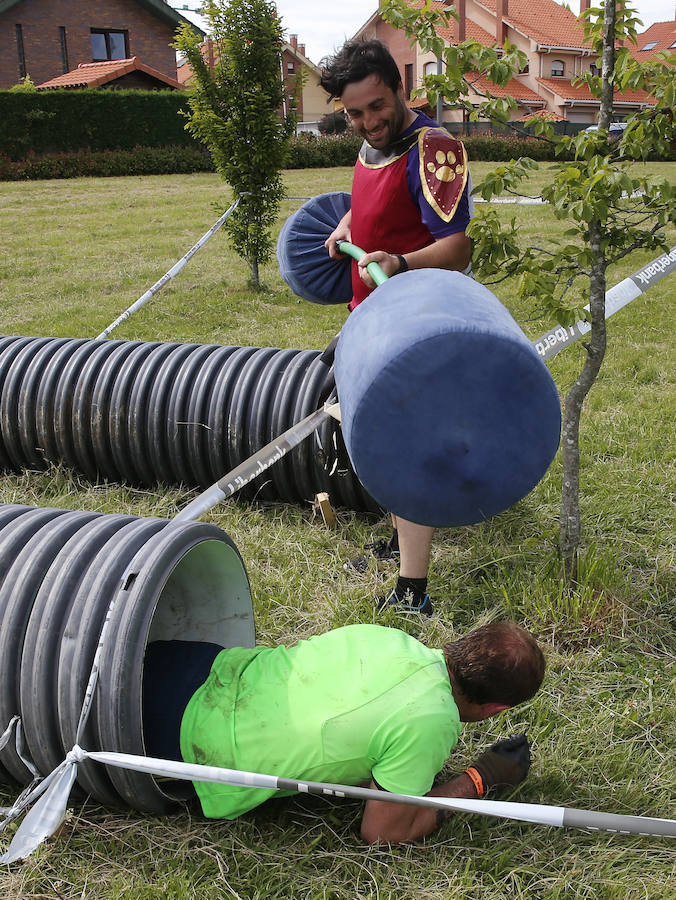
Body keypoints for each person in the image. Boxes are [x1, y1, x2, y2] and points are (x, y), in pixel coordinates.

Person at [319, 40, 475, 615]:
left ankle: (414, 590)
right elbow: (375, 202)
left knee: (410, 446)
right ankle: (399, 537)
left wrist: (403, 263)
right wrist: (345, 224)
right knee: (380, 436)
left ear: (400, 88)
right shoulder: (370, 144)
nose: (367, 122)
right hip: (370, 319)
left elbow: (457, 246)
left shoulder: (434, 149)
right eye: (354, 113)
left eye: (377, 107)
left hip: (415, 324)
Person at [144, 620, 545, 844]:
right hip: (176, 743)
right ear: (496, 709)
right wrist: (480, 778)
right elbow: (382, 832)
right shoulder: (430, 720)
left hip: (183, 661)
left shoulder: (390, 638)